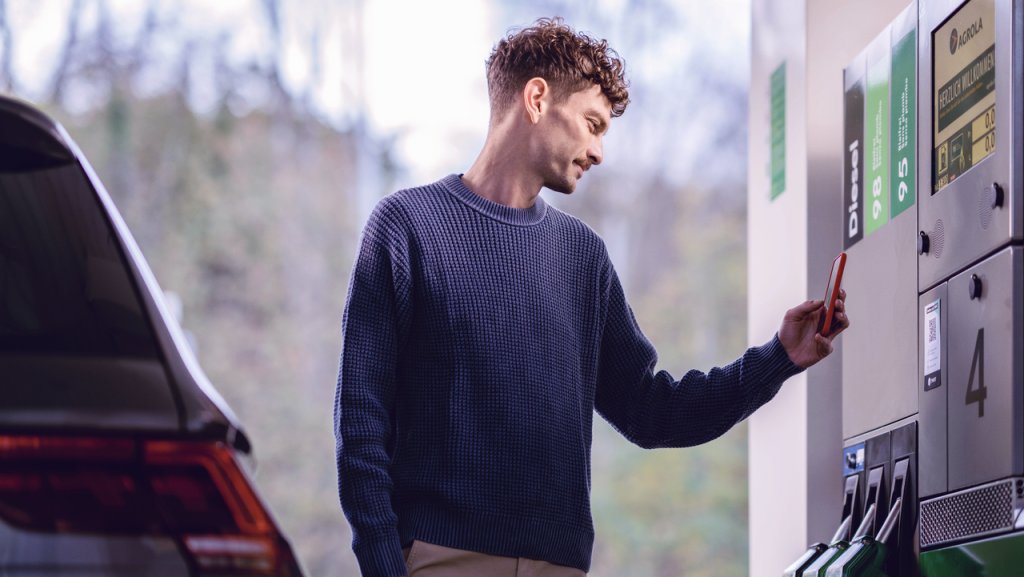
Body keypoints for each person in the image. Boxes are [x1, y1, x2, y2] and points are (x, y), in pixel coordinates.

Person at [334, 17, 848, 577]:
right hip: (440, 562)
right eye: (592, 123)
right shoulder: (405, 228)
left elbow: (654, 412)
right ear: (536, 99)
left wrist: (778, 358)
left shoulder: (583, 258)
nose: (600, 151)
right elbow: (361, 428)